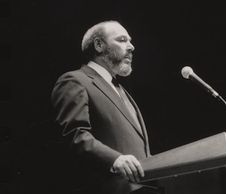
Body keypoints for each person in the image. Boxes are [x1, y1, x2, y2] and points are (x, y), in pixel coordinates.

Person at [51, 20, 156, 194]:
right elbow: (75, 135)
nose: (131, 47)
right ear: (99, 45)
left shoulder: (121, 90)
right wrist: (115, 159)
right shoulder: (75, 81)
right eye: (122, 40)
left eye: (130, 41)